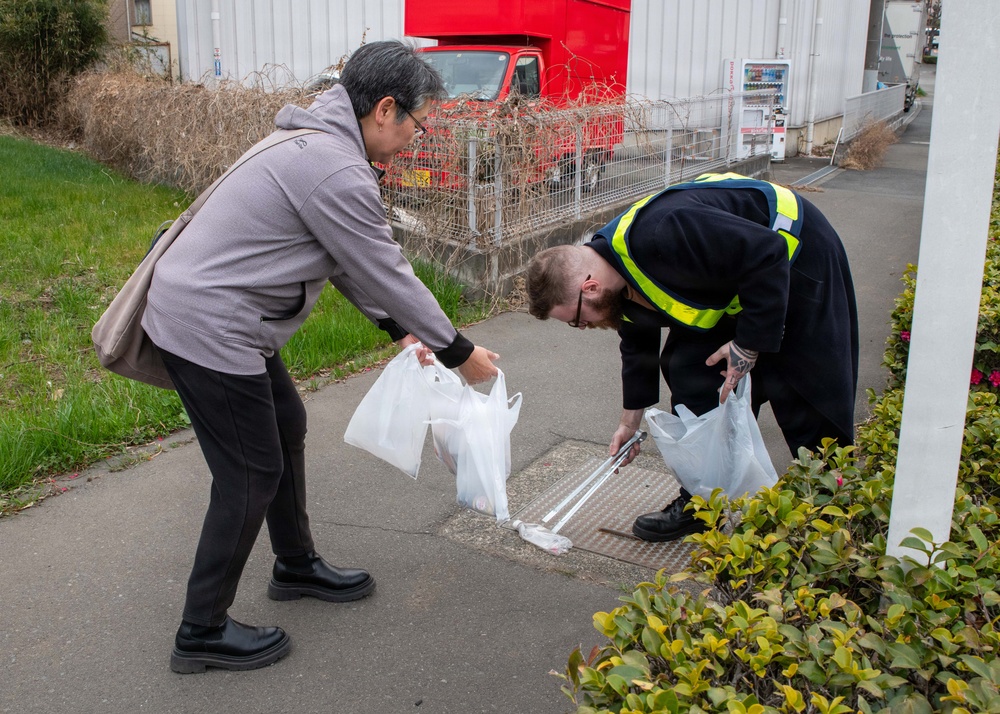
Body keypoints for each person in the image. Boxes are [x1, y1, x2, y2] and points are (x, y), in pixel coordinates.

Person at [142, 40, 499, 673]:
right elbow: (387, 270)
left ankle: (295, 563)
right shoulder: (333, 166)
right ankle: (200, 631)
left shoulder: (322, 144)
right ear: (385, 109)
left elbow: (347, 262)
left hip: (222, 317)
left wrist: (403, 333)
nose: (417, 138)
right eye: (419, 122)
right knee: (250, 472)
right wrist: (458, 352)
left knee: (286, 425)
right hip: (211, 325)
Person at [526, 172, 858, 543]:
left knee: (806, 389)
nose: (583, 328)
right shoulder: (613, 270)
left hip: (796, 257)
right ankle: (704, 502)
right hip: (737, 280)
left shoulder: (665, 232)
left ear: (590, 288)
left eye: (575, 320)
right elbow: (637, 340)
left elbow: (767, 251)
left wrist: (747, 345)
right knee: (690, 369)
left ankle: (832, 509)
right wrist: (629, 423)